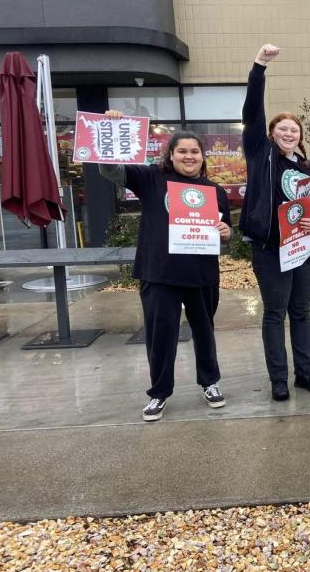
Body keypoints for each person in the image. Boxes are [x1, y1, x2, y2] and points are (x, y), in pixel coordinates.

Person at [98, 112, 232, 421]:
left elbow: (222, 239)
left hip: (201, 274)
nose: (189, 156)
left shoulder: (215, 191)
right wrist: (112, 130)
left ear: (202, 157)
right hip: (159, 274)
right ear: (170, 155)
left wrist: (227, 234)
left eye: (194, 151)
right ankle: (158, 393)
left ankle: (209, 382)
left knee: (205, 332)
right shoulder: (151, 179)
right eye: (182, 151)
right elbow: (111, 172)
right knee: (161, 336)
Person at [240, 44, 310, 402]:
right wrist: (259, 67)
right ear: (271, 133)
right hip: (271, 250)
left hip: (304, 250)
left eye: (294, 129)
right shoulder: (260, 155)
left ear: (300, 134)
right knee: (274, 314)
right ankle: (278, 379)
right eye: (282, 128)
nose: (288, 133)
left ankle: (305, 374)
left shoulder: (309, 169)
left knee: (301, 313)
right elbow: (251, 113)